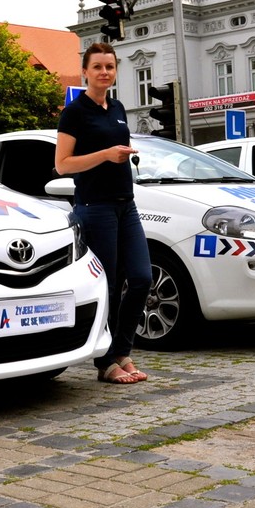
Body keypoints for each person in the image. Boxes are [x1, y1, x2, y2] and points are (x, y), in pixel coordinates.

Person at [55, 42, 151, 384]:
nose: (104, 72)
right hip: (95, 208)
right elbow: (62, 164)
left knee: (141, 278)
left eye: (109, 67)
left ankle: (123, 349)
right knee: (108, 284)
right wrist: (106, 154)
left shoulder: (119, 107)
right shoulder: (75, 112)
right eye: (97, 67)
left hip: (127, 205)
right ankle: (107, 361)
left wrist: (120, 155)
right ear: (85, 71)